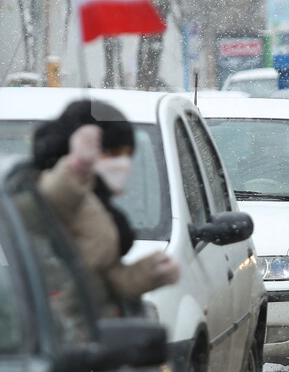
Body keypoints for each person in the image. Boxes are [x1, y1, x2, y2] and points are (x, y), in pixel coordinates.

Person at [32, 99, 179, 313]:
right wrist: (76, 167)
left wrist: (150, 272)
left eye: (126, 155)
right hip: (56, 327)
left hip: (90, 328)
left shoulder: (101, 209)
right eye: (111, 153)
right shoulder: (57, 193)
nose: (122, 164)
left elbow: (105, 282)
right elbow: (50, 199)